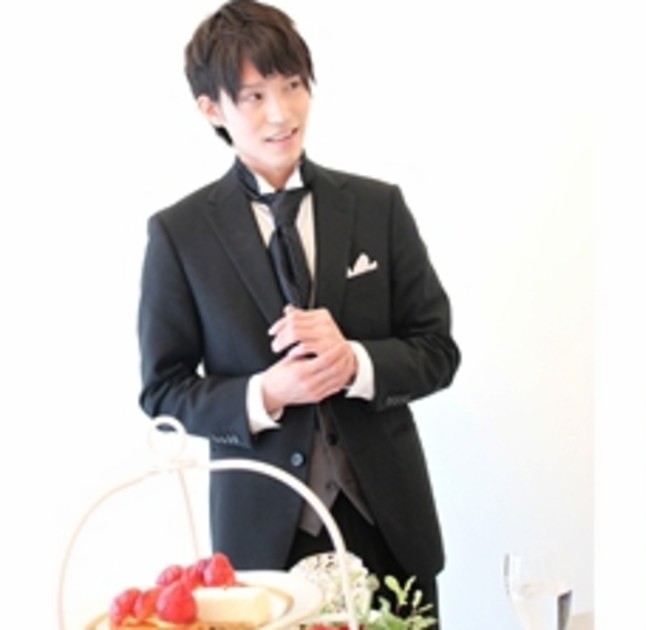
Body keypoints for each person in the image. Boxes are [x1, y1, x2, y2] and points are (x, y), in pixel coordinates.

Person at [137, 0, 459, 620]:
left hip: (391, 526)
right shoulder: (179, 235)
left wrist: (356, 362)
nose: (281, 114)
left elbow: (438, 351)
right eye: (253, 97)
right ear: (212, 109)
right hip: (265, 542)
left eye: (291, 86)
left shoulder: (378, 206)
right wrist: (266, 394)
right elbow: (163, 391)